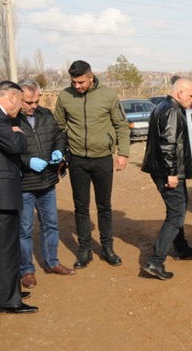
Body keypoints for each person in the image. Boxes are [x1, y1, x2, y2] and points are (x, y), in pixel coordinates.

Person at [54, 60, 130, 269]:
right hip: (77, 160)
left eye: (80, 82)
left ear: (91, 76)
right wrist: (61, 154)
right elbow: (58, 126)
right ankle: (85, 250)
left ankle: (107, 247)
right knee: (81, 207)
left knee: (104, 206)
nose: (77, 86)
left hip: (103, 159)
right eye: (74, 82)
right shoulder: (64, 96)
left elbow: (121, 125)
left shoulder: (108, 95)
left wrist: (123, 153)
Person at [0, 81, 38, 314]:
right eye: (22, 101)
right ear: (12, 97)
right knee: (6, 245)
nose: (23, 107)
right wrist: (19, 132)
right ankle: (8, 301)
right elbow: (16, 145)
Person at [141, 77, 192, 280]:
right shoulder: (172, 111)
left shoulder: (164, 106)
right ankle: (155, 262)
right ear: (180, 93)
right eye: (191, 95)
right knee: (176, 215)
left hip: (164, 169)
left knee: (178, 209)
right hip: (167, 171)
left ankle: (181, 248)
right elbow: (169, 145)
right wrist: (172, 173)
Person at [17, 80, 75, 289]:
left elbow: (59, 135)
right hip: (24, 184)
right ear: (18, 99)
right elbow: (6, 151)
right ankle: (27, 271)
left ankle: (52, 262)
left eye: (36, 100)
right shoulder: (10, 119)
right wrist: (26, 161)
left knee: (51, 224)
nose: (33, 105)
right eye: (29, 102)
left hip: (47, 182)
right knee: (24, 230)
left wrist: (59, 151)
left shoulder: (46, 115)